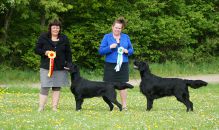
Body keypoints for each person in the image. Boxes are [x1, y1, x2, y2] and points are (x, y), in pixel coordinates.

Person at [35, 19, 72, 112]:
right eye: (54, 27)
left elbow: (68, 53)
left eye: (57, 28)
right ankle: (41, 107)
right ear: (50, 28)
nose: (56, 29)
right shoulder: (43, 37)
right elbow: (36, 49)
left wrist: (69, 64)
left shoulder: (64, 38)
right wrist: (45, 52)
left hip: (60, 67)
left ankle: (54, 107)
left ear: (60, 29)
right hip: (46, 67)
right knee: (45, 86)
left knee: (57, 86)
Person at [98, 17, 134, 110]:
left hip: (123, 64)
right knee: (108, 86)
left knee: (123, 85)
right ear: (112, 27)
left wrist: (127, 51)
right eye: (116, 27)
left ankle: (124, 105)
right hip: (110, 65)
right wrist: (110, 47)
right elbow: (101, 51)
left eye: (119, 28)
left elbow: (131, 50)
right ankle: (112, 105)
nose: (117, 29)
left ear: (122, 29)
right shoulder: (107, 37)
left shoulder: (126, 37)